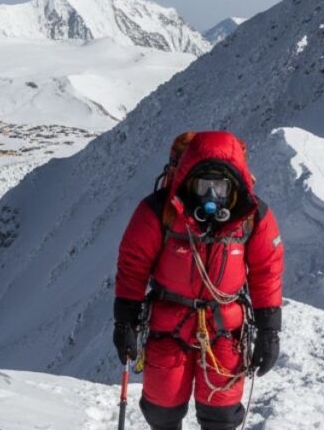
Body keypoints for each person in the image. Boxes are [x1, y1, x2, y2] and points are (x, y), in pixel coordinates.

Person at [113, 131, 284, 430]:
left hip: (225, 331)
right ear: (188, 180)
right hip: (169, 325)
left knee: (221, 416)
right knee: (161, 411)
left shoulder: (251, 217)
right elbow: (133, 265)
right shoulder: (160, 211)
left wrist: (269, 331)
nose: (211, 195)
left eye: (220, 186)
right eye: (204, 185)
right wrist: (125, 321)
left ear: (234, 186)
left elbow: (266, 271)